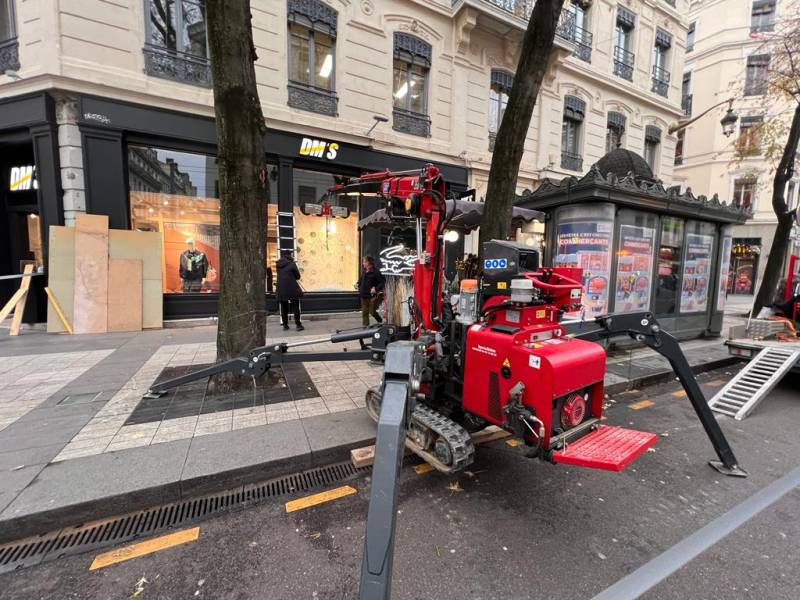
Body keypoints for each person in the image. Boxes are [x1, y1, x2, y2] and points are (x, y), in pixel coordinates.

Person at [276, 251, 304, 331]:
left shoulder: (278, 265)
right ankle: (298, 325)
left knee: (284, 307)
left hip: (281, 289)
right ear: (289, 255)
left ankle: (285, 325)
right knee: (295, 306)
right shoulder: (292, 264)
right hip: (292, 288)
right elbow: (298, 276)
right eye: (291, 255)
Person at [357, 256, 384, 327]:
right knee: (365, 313)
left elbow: (382, 282)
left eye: (364, 262)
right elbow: (360, 281)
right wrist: (357, 284)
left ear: (369, 262)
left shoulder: (376, 272)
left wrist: (376, 289)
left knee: (372, 312)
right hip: (363, 295)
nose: (363, 263)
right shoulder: (364, 271)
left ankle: (380, 321)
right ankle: (365, 326)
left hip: (372, 296)